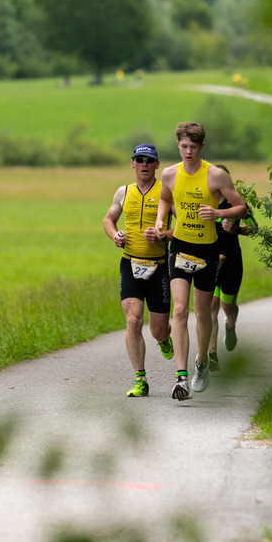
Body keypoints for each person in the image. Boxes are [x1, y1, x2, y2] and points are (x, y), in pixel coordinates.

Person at [155, 122, 247, 400]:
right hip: (181, 248)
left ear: (202, 147)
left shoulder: (216, 176)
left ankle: (201, 363)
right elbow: (164, 199)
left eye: (194, 147)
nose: (188, 152)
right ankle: (181, 377)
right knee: (180, 310)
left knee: (203, 313)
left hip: (208, 250)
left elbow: (242, 209)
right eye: (184, 146)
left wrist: (219, 215)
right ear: (178, 145)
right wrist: (161, 219)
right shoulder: (170, 174)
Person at [103, 143, 174, 398]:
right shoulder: (124, 192)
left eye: (149, 160)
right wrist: (115, 236)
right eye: (139, 160)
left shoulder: (166, 193)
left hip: (159, 266)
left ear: (157, 165)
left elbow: (185, 227)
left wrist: (164, 235)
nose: (144, 164)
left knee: (158, 329)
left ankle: (165, 337)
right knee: (133, 320)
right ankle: (140, 379)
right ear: (132, 164)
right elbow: (108, 219)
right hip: (130, 263)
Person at [208, 164, 258, 371]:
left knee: (227, 306)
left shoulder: (236, 204)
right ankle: (211, 353)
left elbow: (255, 228)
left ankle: (230, 323)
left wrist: (236, 229)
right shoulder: (203, 202)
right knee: (210, 307)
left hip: (231, 262)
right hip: (209, 261)